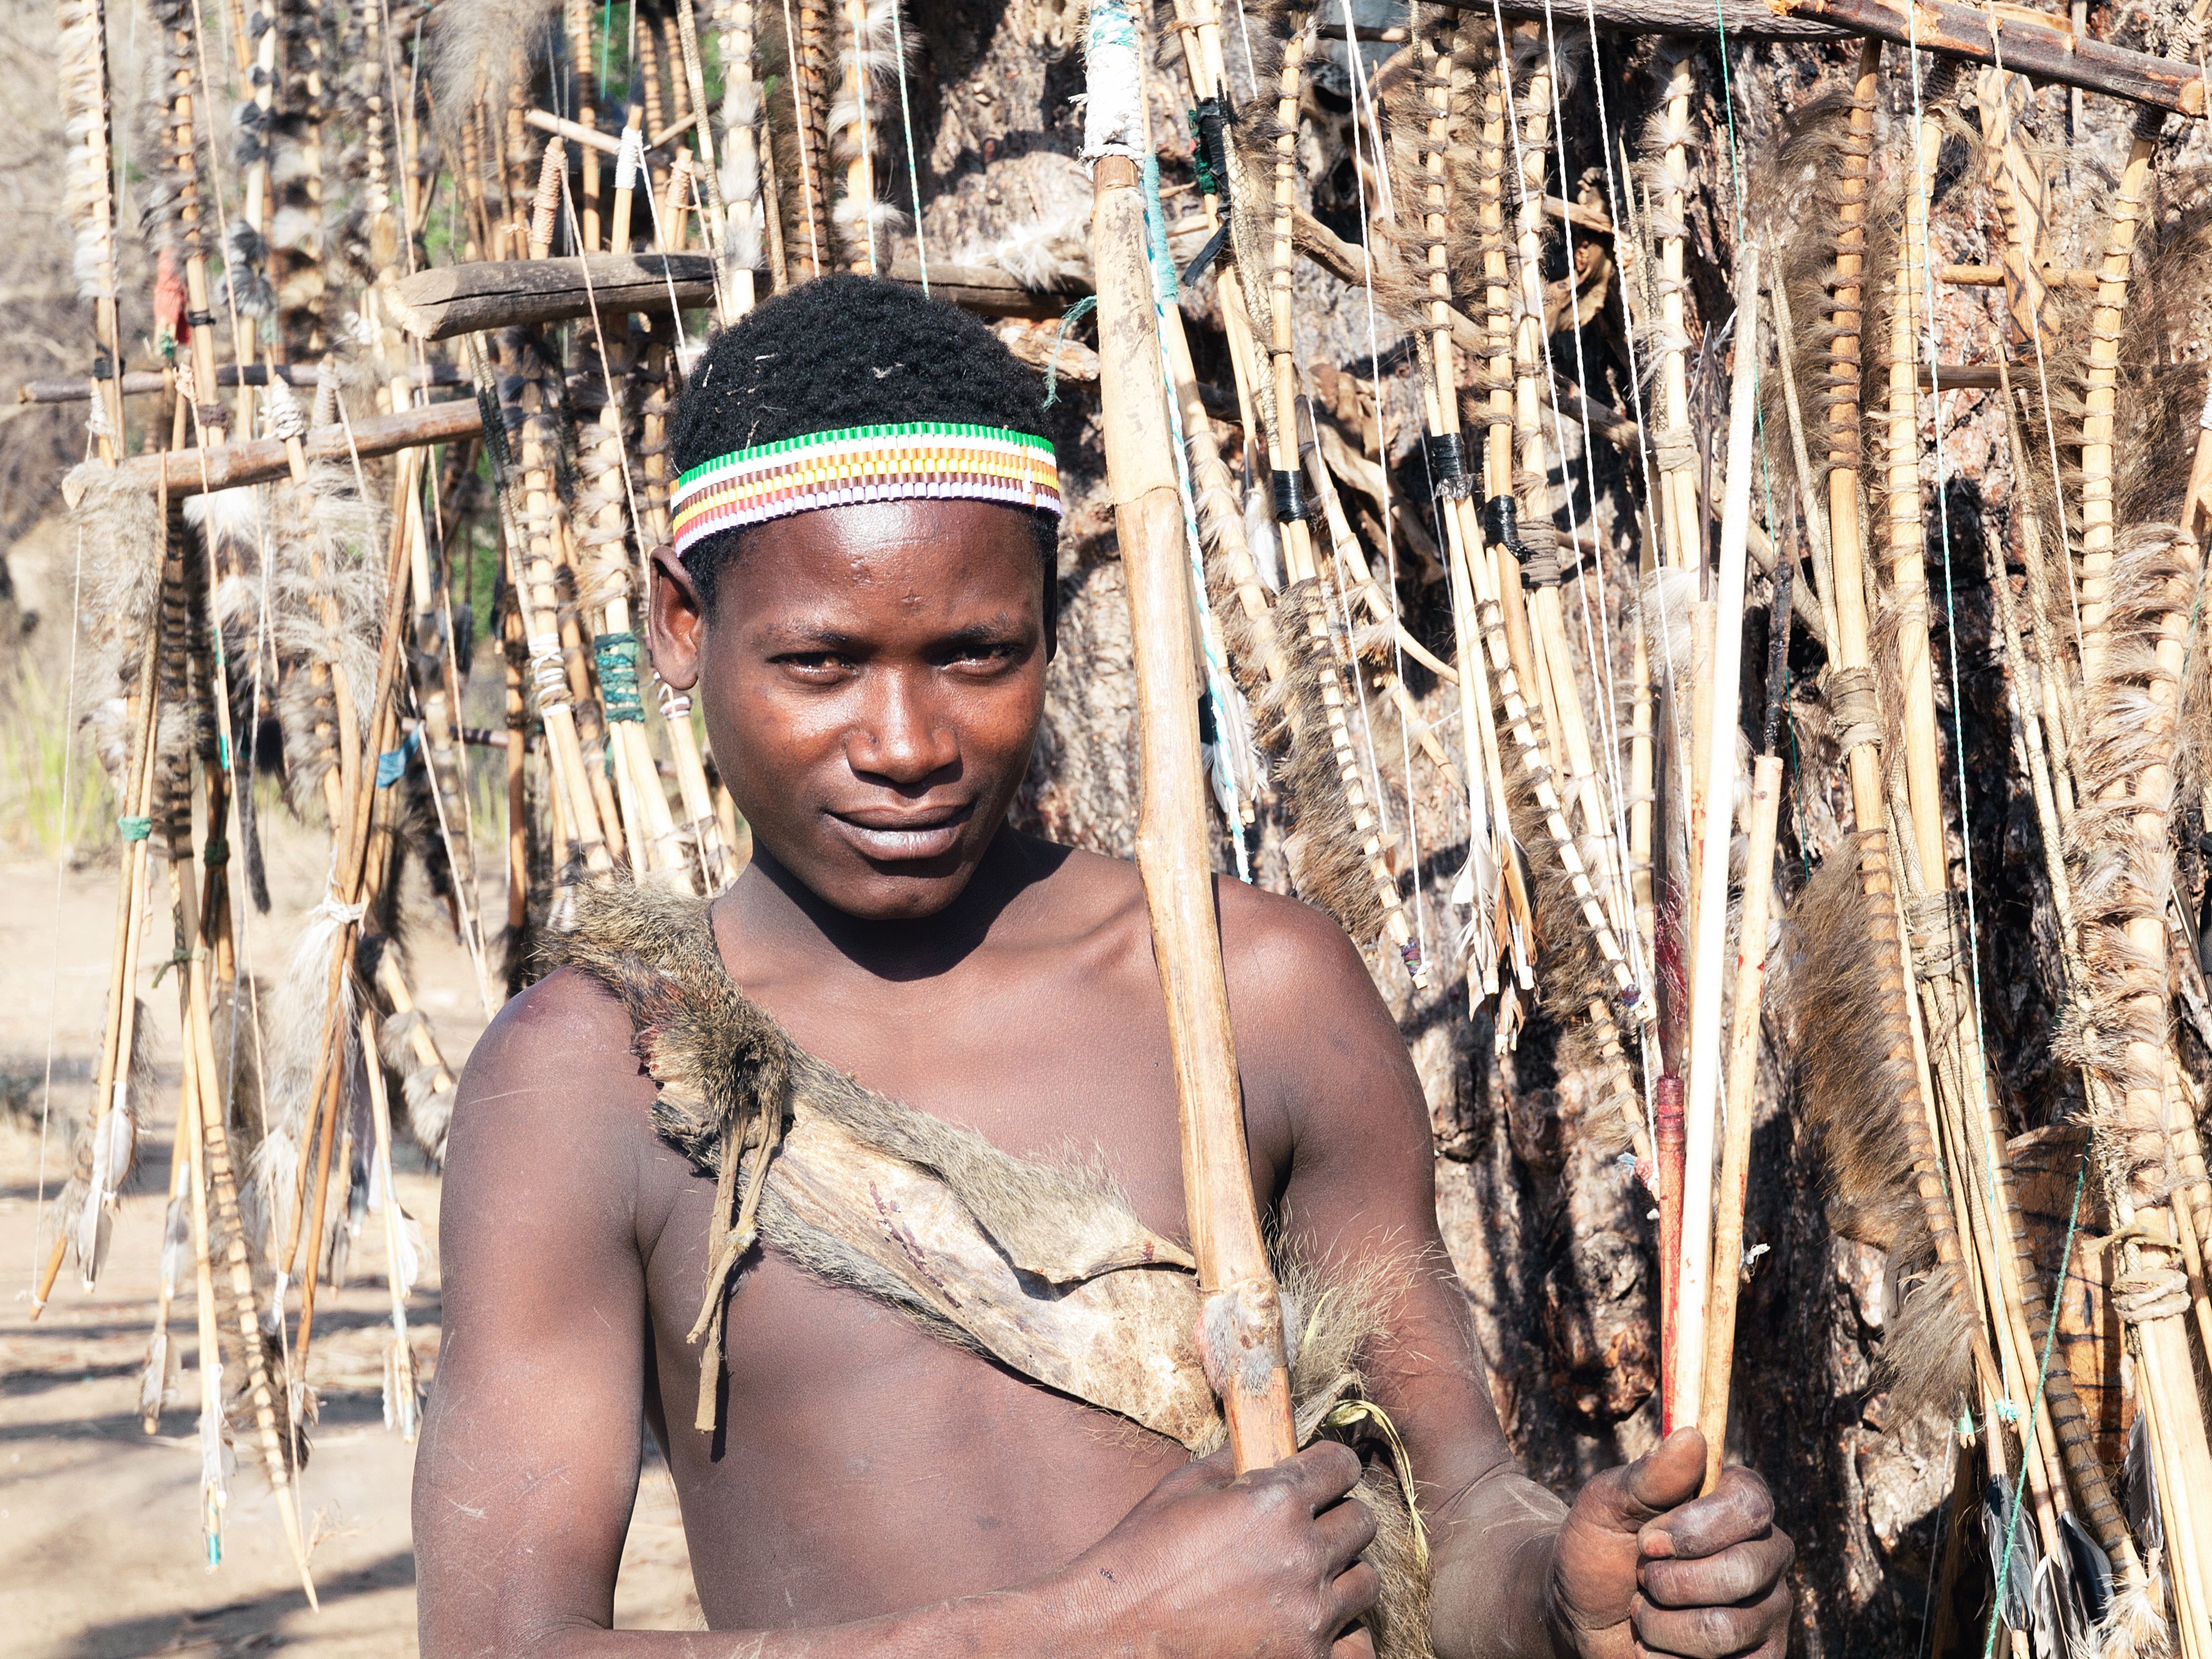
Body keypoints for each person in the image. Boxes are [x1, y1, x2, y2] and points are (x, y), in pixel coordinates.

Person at [414, 274, 1793, 1658]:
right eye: (821, 663)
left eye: (976, 655)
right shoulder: (599, 1074)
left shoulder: (1251, 991)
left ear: (1050, 621)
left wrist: (1570, 1599)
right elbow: (497, 1647)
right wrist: (1098, 1633)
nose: (905, 743)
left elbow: (1464, 1503)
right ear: (680, 626)